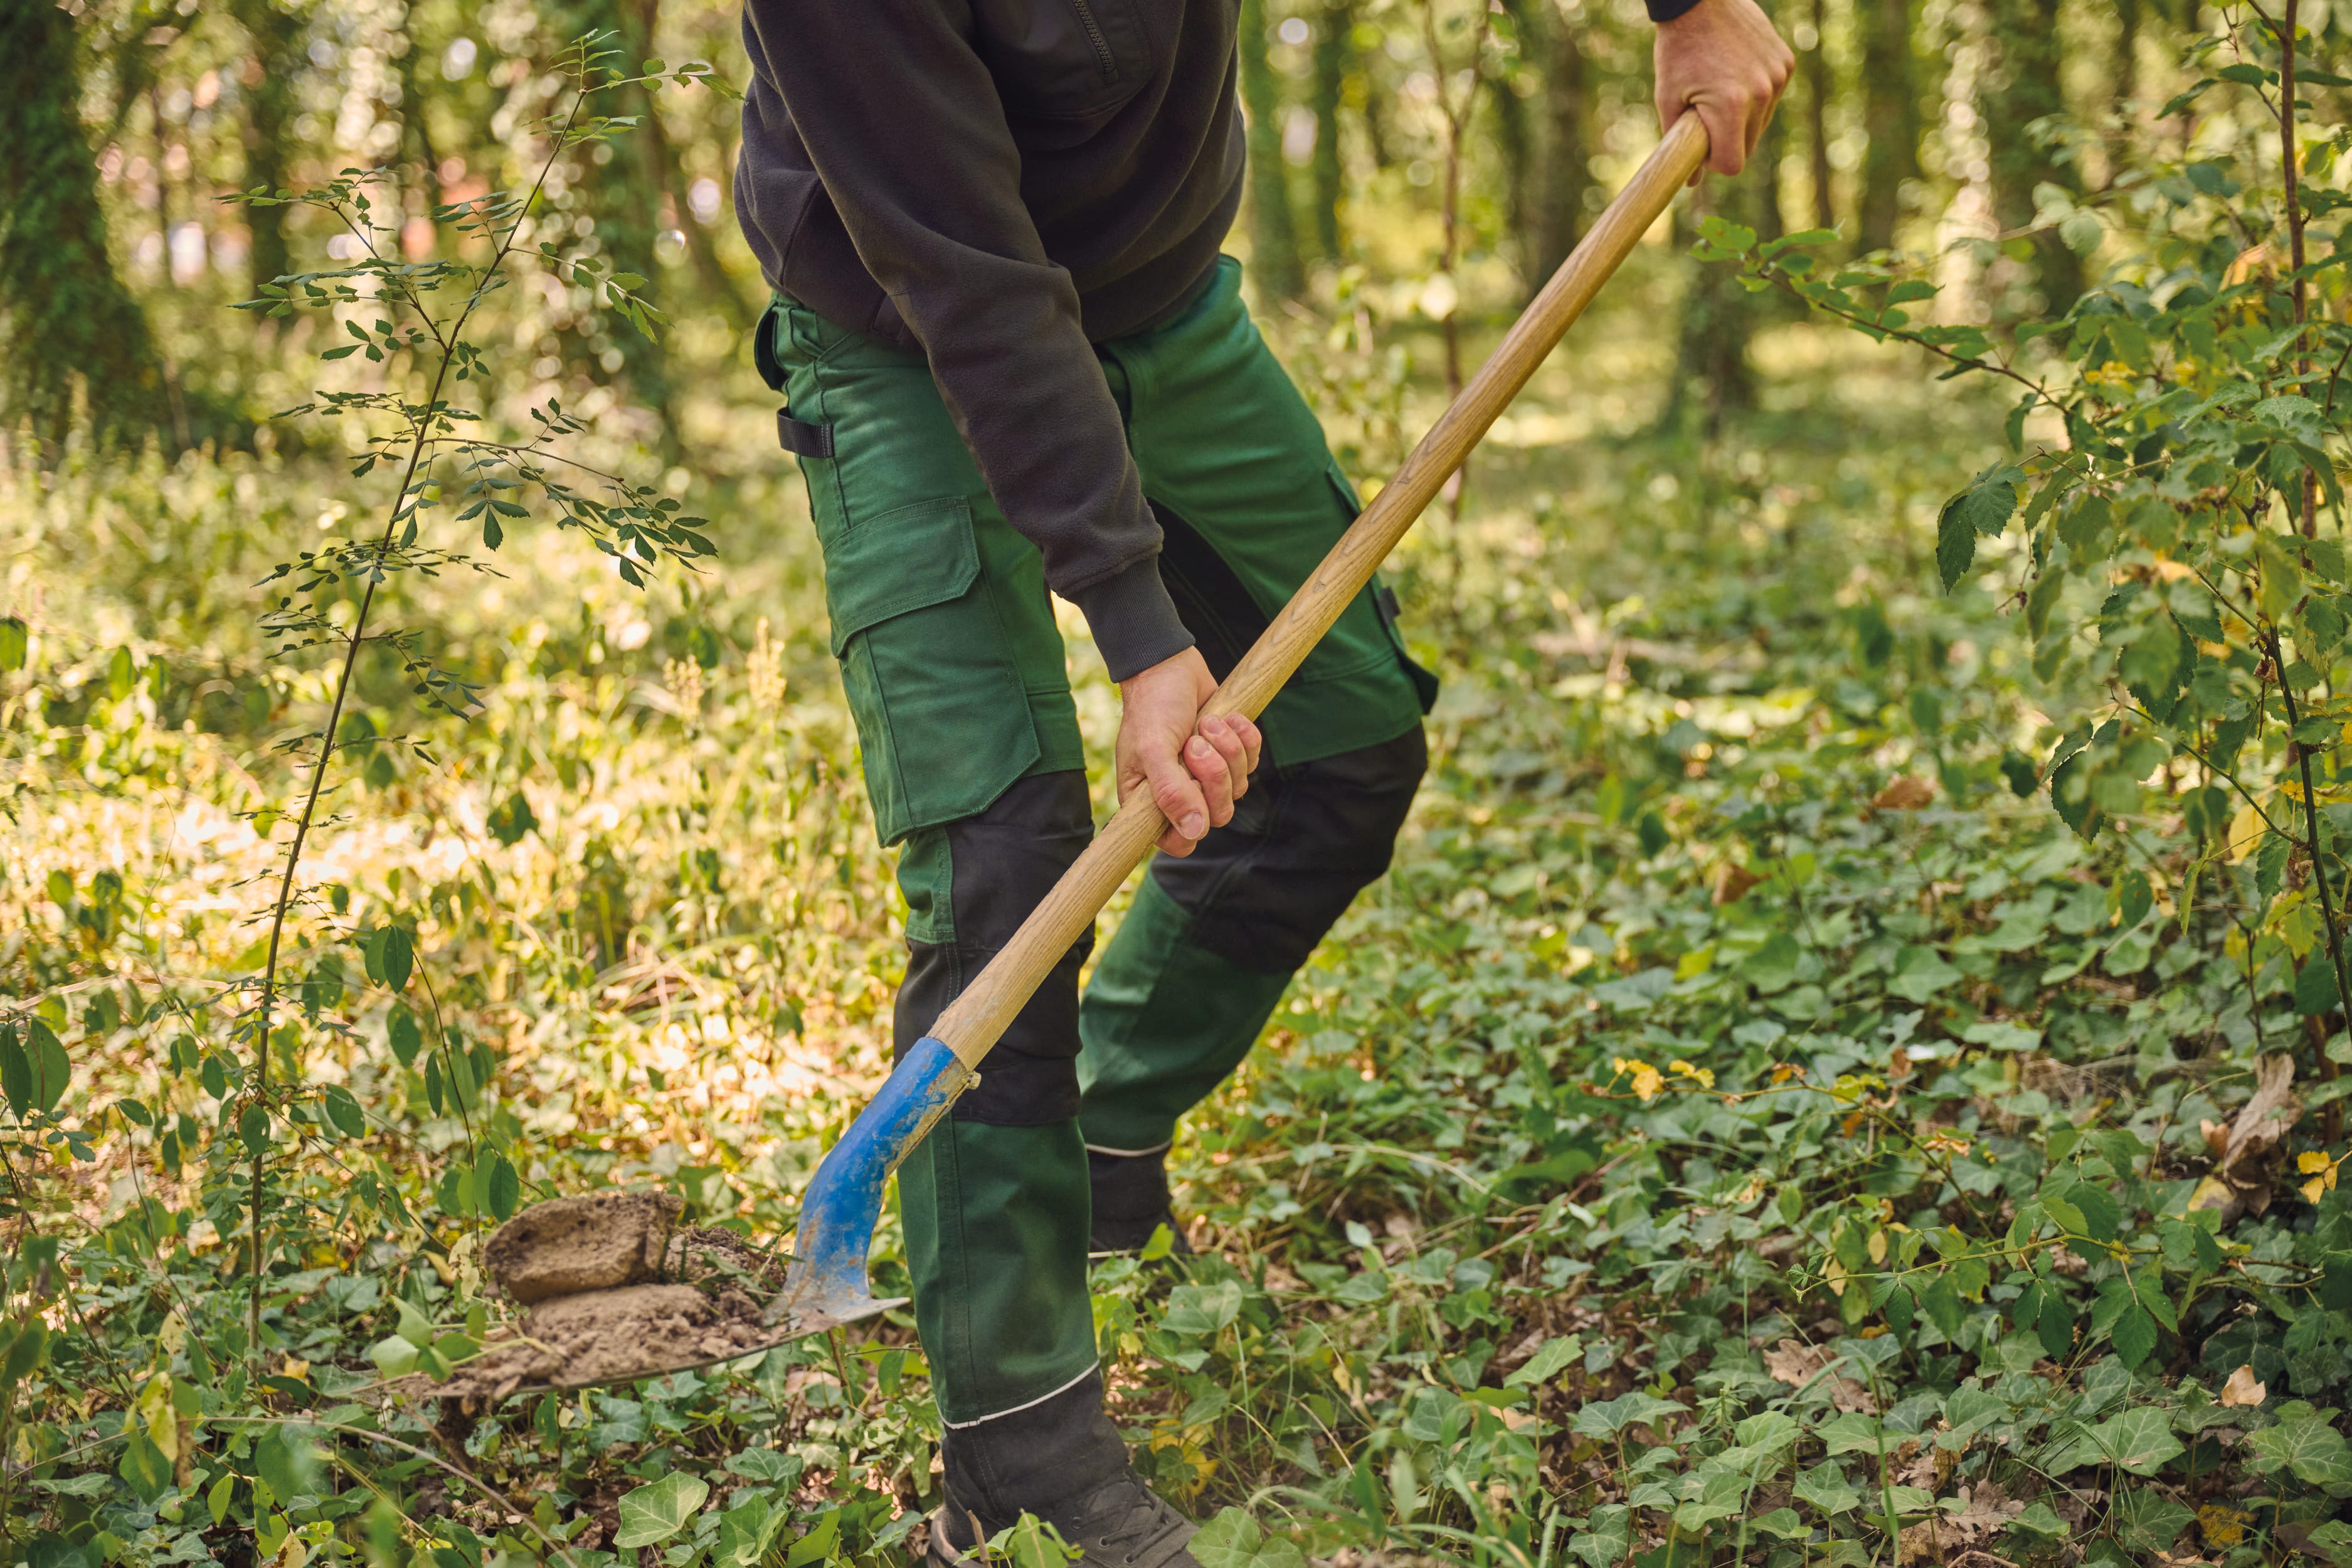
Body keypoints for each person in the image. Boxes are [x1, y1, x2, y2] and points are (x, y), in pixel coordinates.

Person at [732, 0, 1790, 1558]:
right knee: (1001, 872)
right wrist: (1139, 625)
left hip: (1156, 302)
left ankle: (1098, 1133)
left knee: (1344, 733)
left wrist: (1692, 5)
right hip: (909, 329)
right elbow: (967, 271)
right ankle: (1016, 1450)